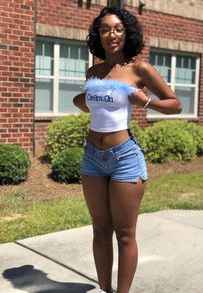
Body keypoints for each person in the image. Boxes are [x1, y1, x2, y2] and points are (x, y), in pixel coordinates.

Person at [73, 6, 182, 293]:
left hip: (124, 157)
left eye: (119, 29)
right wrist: (82, 99)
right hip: (92, 158)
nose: (113, 34)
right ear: (98, 34)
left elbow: (175, 104)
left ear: (127, 33)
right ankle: (105, 290)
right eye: (106, 29)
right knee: (99, 231)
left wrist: (144, 101)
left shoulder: (139, 68)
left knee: (124, 234)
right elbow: (92, 104)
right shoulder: (94, 70)